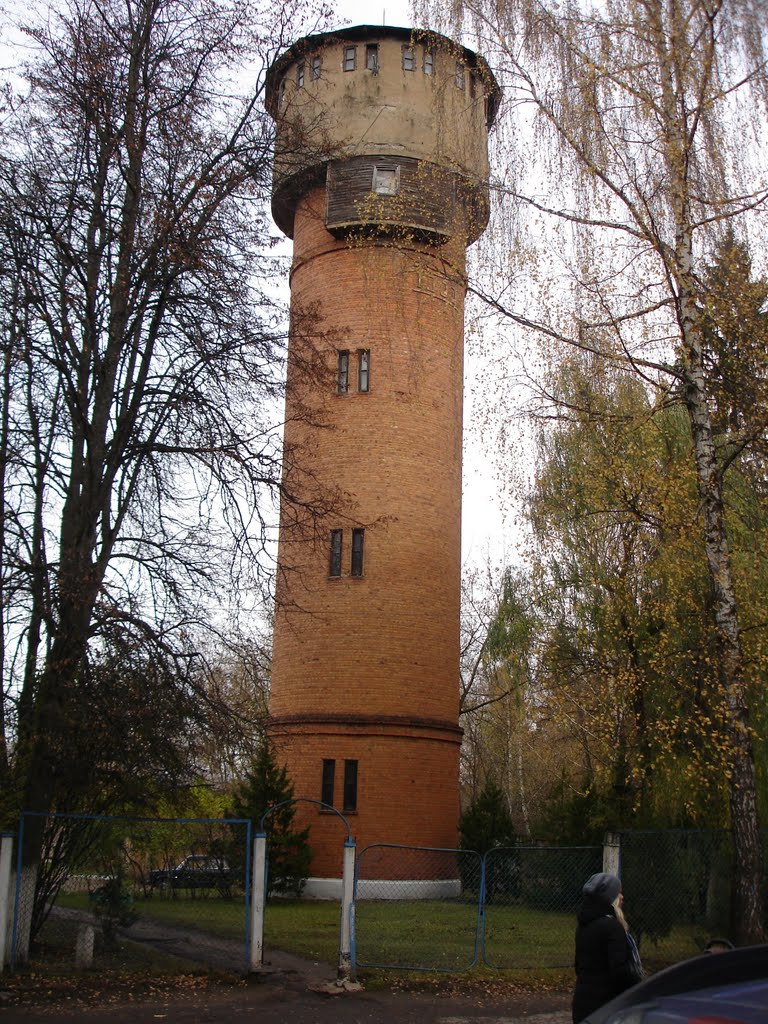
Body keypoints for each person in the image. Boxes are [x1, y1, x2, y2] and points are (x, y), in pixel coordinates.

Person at [572, 872, 643, 1023]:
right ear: (610, 898)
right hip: (606, 1006)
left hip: (582, 1002)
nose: (622, 897)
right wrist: (639, 986)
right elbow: (620, 971)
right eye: (618, 893)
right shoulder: (613, 927)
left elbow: (578, 966)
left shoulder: (584, 925)